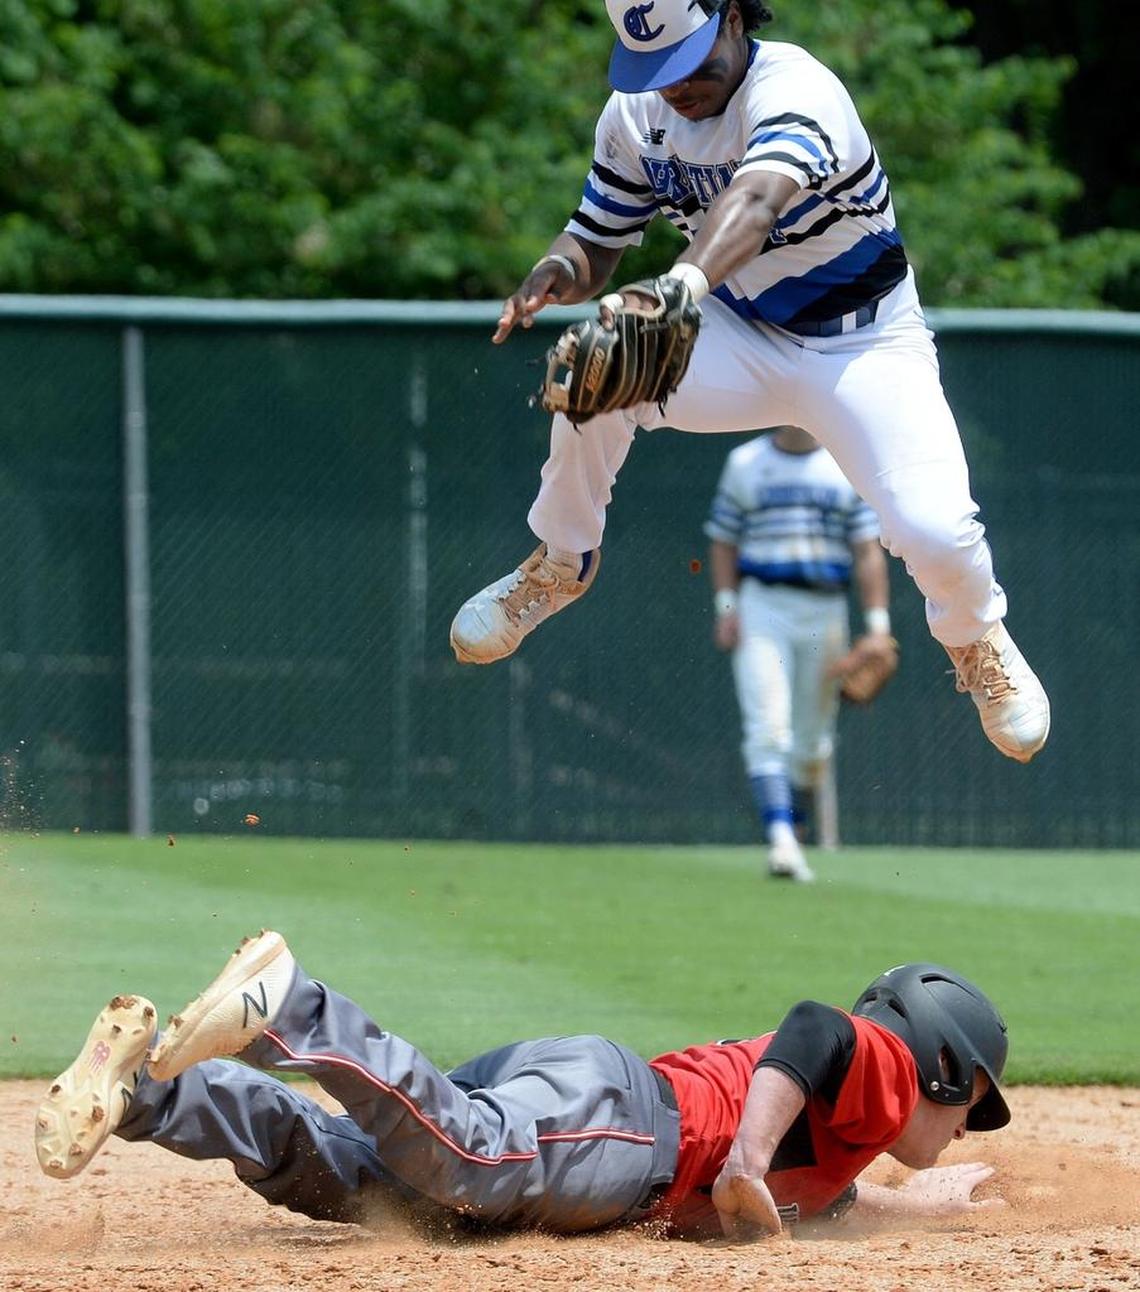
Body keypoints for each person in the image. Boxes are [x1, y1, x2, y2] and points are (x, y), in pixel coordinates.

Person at [448, 0, 1050, 765]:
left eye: (691, 61)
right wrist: (554, 271)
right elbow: (596, 237)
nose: (677, 86)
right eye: (656, 69)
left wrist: (682, 286)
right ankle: (560, 564)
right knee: (599, 359)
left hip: (863, 344)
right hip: (738, 332)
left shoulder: (798, 88)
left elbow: (758, 201)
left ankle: (975, 641)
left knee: (934, 530)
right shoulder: (636, 113)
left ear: (733, 16)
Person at [36, 931, 1011, 1241]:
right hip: (630, 1128)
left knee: (363, 1180)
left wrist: (923, 1201)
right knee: (469, 1159)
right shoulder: (876, 1071)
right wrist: (747, 1160)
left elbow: (836, 1195)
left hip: (599, 1103)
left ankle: (143, 1093)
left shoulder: (841, 1138)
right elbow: (813, 1026)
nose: (974, 1126)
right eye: (976, 1102)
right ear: (941, 1063)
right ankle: (292, 1005)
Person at [706, 425, 894, 882]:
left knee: (812, 743)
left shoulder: (846, 463)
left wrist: (878, 626)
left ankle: (794, 824)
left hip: (825, 608)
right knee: (768, 726)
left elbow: (867, 550)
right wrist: (727, 607)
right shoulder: (746, 462)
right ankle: (782, 839)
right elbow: (723, 541)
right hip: (763, 605)